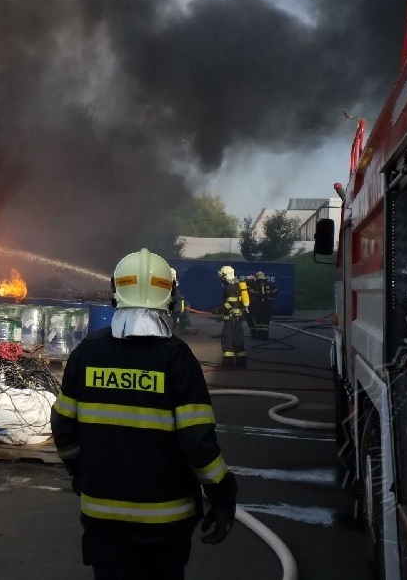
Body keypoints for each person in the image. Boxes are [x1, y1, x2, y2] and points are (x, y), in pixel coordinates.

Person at [52, 248, 238, 579]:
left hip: (103, 517)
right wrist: (222, 494)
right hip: (166, 522)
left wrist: (79, 472)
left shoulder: (87, 353)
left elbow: (63, 426)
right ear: (170, 297)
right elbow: (197, 442)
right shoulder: (177, 358)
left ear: (115, 293)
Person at [216, 266, 247, 368]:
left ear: (225, 275)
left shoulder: (229, 287)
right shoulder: (237, 284)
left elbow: (231, 302)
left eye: (221, 275)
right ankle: (241, 361)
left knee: (227, 338)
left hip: (231, 317)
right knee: (238, 338)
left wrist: (219, 309)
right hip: (238, 317)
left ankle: (228, 361)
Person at [249, 271, 277, 340]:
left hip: (257, 304)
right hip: (267, 305)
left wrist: (257, 294)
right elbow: (275, 291)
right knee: (265, 321)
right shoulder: (269, 284)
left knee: (258, 320)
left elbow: (250, 292)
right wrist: (269, 295)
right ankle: (265, 336)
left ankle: (259, 336)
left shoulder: (255, 284)